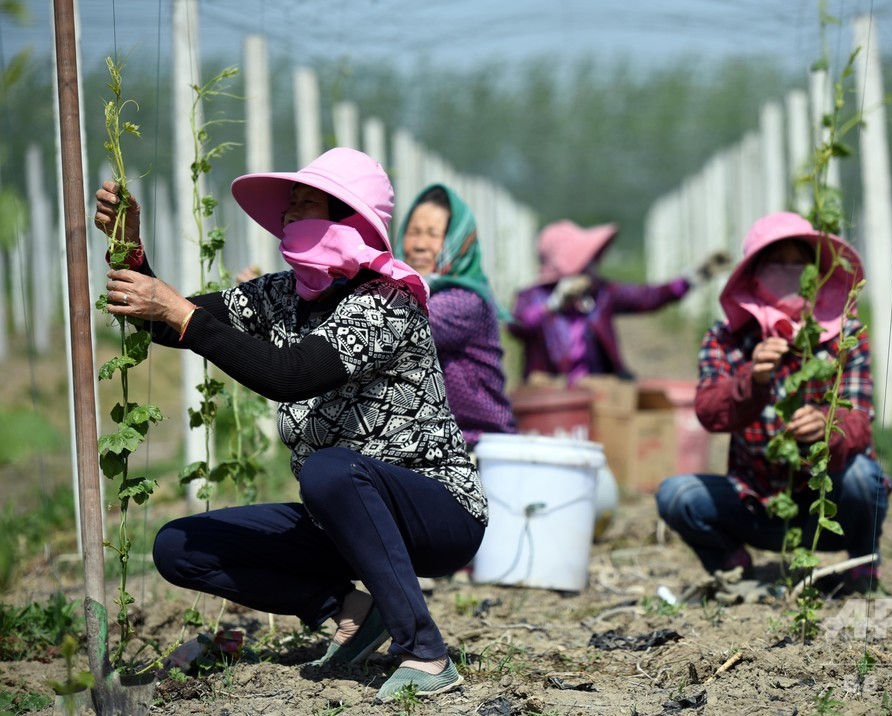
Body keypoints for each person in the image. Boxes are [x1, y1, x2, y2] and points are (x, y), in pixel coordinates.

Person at [93, 148, 482, 702]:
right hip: (343, 517)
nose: (291, 217)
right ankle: (348, 608)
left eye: (308, 205)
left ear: (349, 220)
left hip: (438, 513)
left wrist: (181, 314)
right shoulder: (281, 295)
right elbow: (170, 320)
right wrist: (129, 248)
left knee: (328, 472)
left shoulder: (388, 300)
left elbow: (290, 375)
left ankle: (424, 651)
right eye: (290, 206)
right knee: (180, 546)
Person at [655, 211, 892, 597]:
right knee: (678, 496)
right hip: (756, 502)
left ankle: (863, 566)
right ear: (753, 275)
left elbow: (859, 417)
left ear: (818, 274)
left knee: (866, 478)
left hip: (825, 505)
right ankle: (732, 567)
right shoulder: (727, 339)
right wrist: (754, 379)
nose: (790, 273)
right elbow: (710, 411)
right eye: (777, 264)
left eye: (801, 264)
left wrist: (826, 427)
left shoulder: (844, 336)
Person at [507, 219, 731, 386]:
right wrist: (555, 304)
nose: (593, 265)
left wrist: (693, 277)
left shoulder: (600, 294)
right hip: (552, 401)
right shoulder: (533, 297)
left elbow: (648, 296)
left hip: (599, 393)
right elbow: (517, 326)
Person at [394, 184, 517, 450]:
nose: (419, 245)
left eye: (433, 234)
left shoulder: (462, 301)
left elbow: (396, 328)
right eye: (413, 232)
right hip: (433, 442)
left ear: (459, 242)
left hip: (478, 444)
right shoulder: (405, 294)